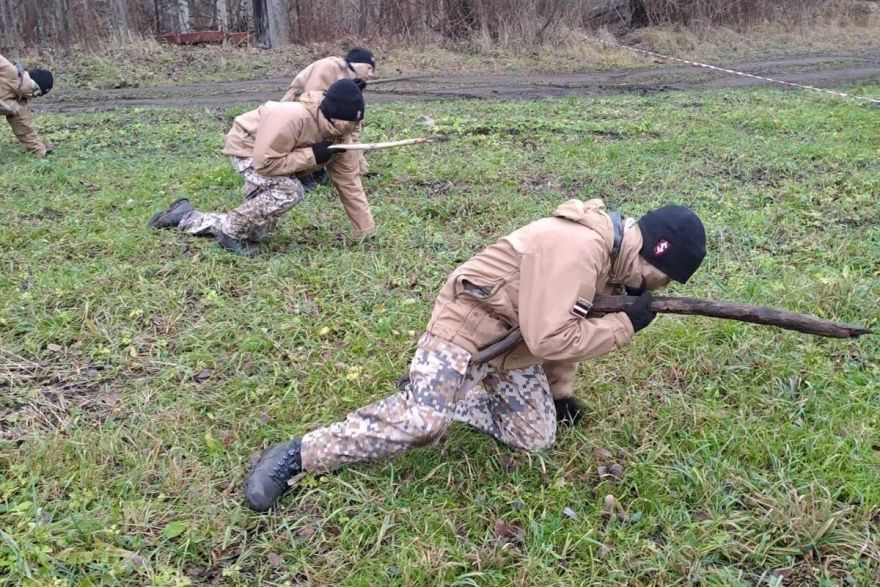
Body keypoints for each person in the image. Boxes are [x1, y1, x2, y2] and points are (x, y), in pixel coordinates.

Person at [242, 198, 707, 511]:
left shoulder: (612, 263)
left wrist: (560, 394)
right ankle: (299, 455)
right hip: (466, 328)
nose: (662, 289)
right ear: (655, 255)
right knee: (424, 424)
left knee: (535, 436)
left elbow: (567, 326)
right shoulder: (581, 248)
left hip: (511, 344)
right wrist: (624, 326)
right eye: (667, 277)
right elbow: (551, 338)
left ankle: (439, 395)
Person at [147, 79, 374, 255]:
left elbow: (350, 185)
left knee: (256, 230)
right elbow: (266, 163)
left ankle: (185, 216)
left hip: (276, 159)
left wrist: (366, 233)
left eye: (356, 124)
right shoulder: (291, 117)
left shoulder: (341, 139)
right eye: (349, 124)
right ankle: (229, 234)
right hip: (249, 149)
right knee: (289, 191)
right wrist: (313, 155)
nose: (352, 130)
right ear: (333, 115)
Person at [280, 47, 376, 183]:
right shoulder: (329, 66)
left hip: (316, 118)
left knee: (338, 131)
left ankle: (316, 169)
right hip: (294, 118)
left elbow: (353, 130)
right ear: (357, 64)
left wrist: (360, 168)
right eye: (369, 68)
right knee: (321, 129)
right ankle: (303, 173)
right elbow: (310, 105)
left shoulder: (353, 85)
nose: (371, 74)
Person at [0, 54, 53, 157]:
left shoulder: (18, 103)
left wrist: (40, 150)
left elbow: (25, 128)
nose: (34, 95)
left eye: (37, 95)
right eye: (35, 90)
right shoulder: (10, 72)